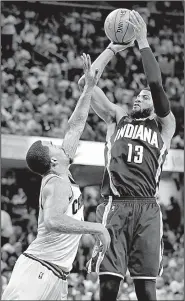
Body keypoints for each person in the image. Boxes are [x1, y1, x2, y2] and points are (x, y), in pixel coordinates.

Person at [79, 11, 176, 301]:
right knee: (109, 286)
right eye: (137, 95)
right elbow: (88, 85)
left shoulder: (164, 125)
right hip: (115, 205)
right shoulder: (117, 118)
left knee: (146, 289)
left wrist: (143, 42)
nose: (139, 97)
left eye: (143, 97)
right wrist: (111, 48)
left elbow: (156, 85)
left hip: (148, 208)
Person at [2, 53, 111, 300]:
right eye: (52, 144)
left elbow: (75, 126)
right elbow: (52, 220)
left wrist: (89, 89)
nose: (57, 143)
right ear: (53, 160)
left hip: (56, 275)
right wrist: (94, 227)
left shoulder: (64, 170)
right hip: (38, 270)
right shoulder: (55, 182)